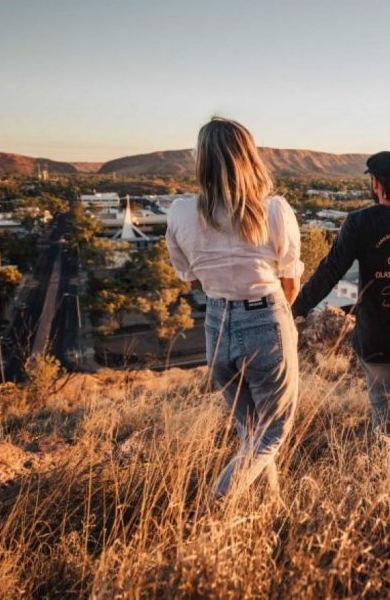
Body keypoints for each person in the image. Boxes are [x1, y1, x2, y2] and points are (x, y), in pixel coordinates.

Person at [166, 117, 303, 498]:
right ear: (249, 156)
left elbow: (189, 276)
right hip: (265, 318)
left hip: (216, 322)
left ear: (202, 161)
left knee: (251, 430)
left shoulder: (180, 212)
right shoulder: (273, 211)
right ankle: (219, 500)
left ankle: (269, 507)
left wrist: (220, 290)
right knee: (273, 432)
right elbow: (290, 281)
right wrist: (271, 317)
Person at [292, 151, 390, 450]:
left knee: (382, 404)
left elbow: (330, 271)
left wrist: (297, 307)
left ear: (375, 184)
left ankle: (387, 462)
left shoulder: (359, 222)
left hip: (376, 336)